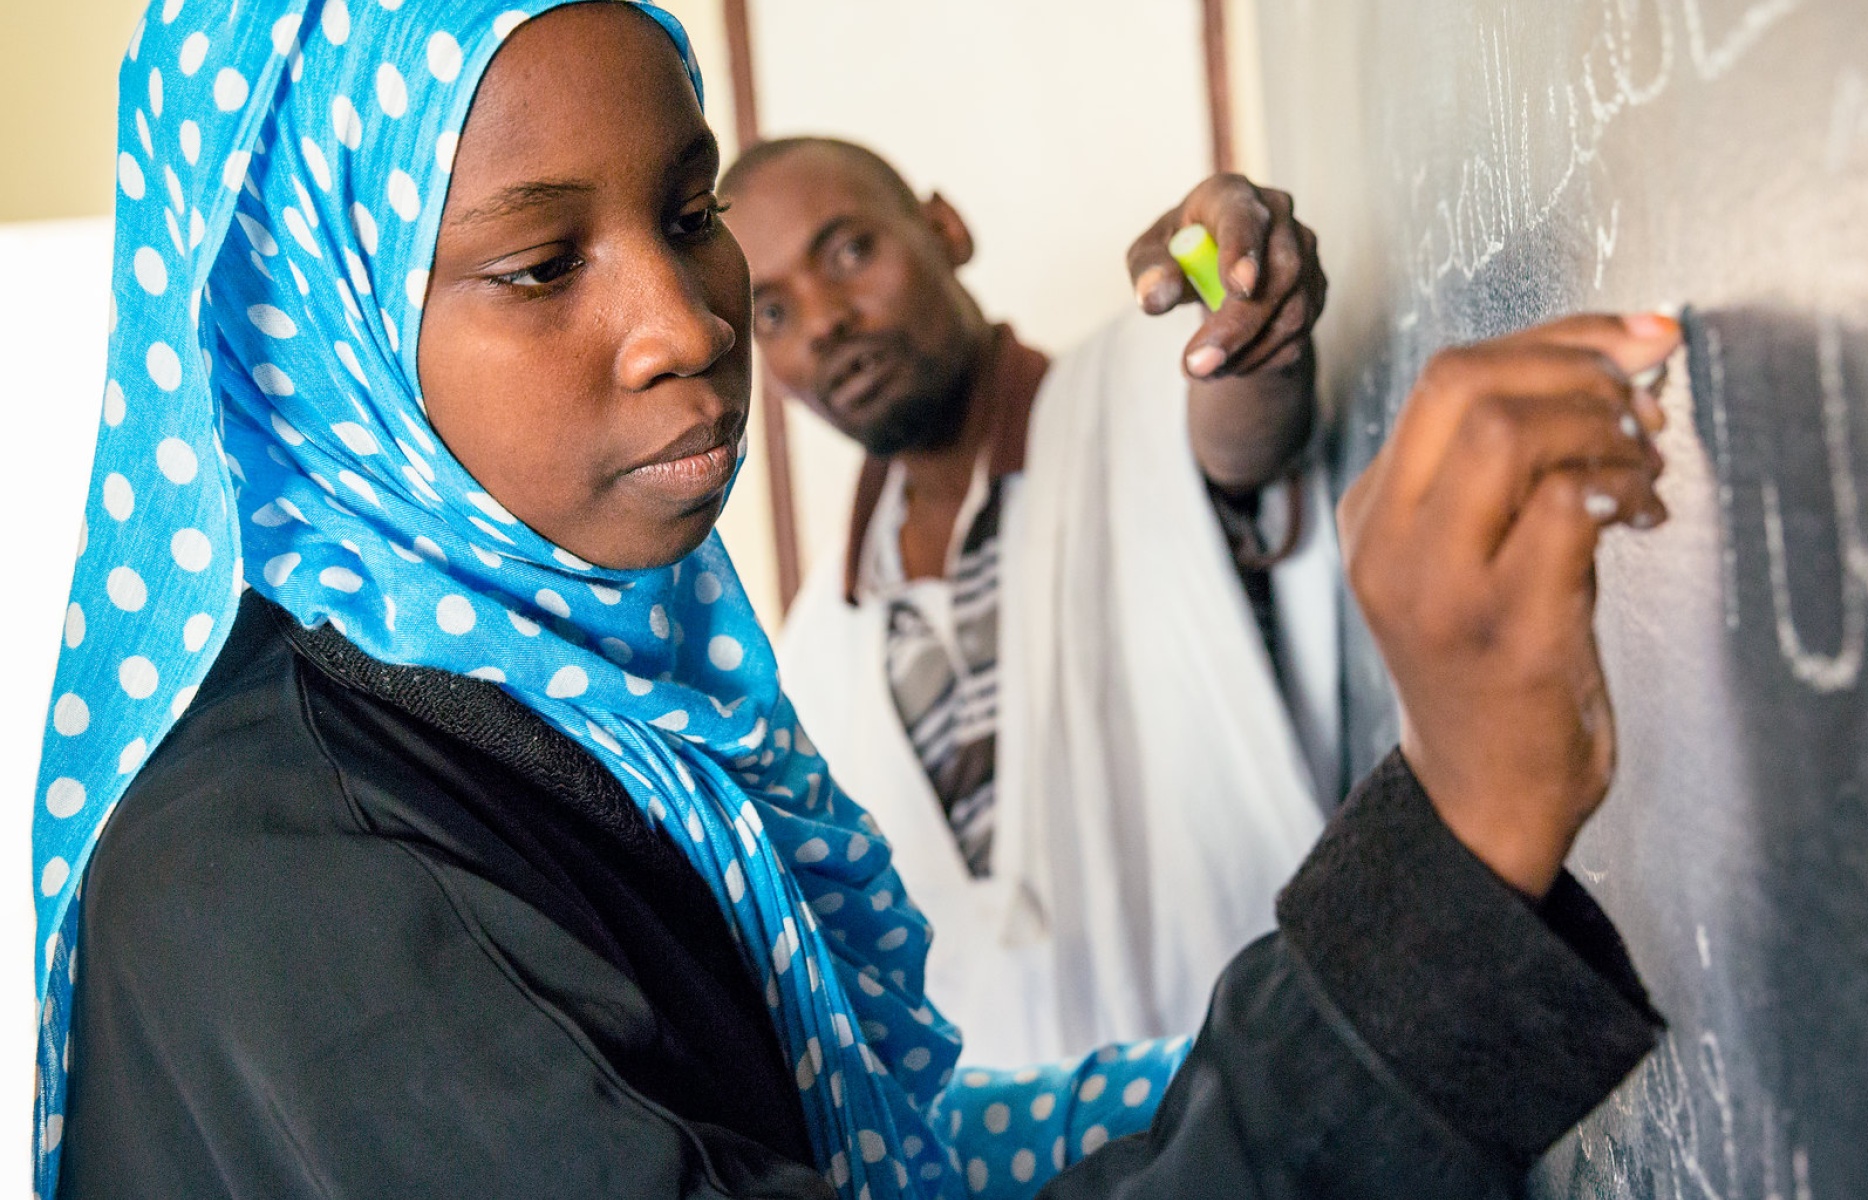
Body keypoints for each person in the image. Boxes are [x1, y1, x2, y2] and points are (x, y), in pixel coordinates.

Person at [37, 2, 1682, 1199]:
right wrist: (1455, 851)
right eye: (543, 267)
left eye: (686, 216)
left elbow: (885, 1159)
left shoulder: (591, 720)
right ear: (313, 346)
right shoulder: (289, 875)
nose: (692, 319)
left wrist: (1368, 998)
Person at [719, 140, 1338, 1065]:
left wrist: (1244, 313)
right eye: (771, 310)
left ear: (945, 230)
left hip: (1288, 1096)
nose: (826, 323)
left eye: (849, 252)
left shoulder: (1136, 389)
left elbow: (1243, 420)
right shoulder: (811, 656)